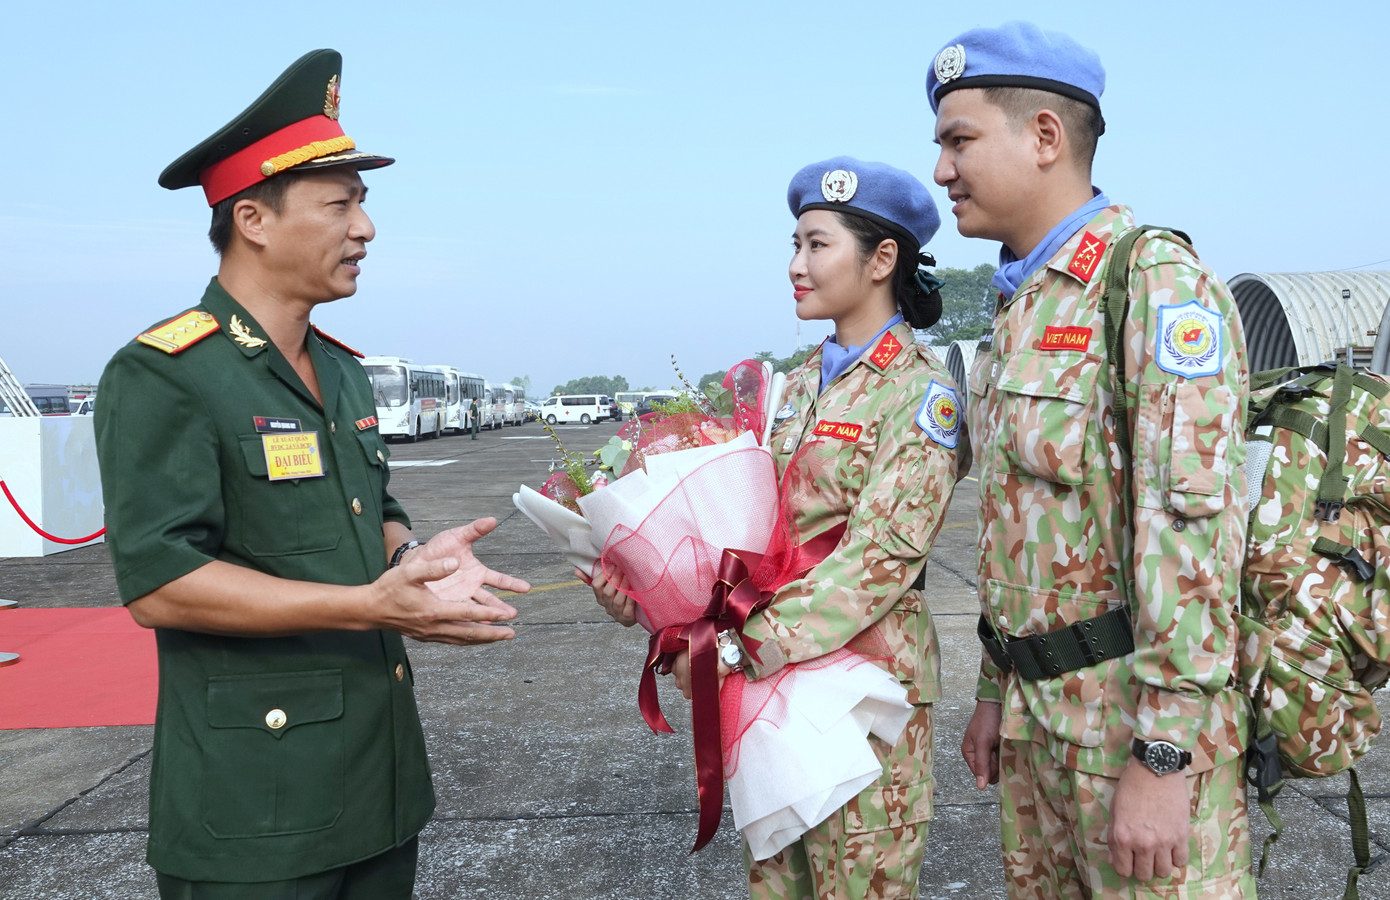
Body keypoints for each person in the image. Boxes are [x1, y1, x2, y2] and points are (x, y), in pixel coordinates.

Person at [94, 49, 529, 899]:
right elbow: (162, 582)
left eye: (362, 204)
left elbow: (374, 506)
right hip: (255, 807)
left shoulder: (341, 371)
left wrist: (411, 560)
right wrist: (366, 606)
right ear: (253, 218)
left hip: (378, 787)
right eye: (340, 205)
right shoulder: (167, 372)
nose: (365, 228)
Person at [927, 22, 1253, 898]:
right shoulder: (1018, 307)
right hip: (1039, 731)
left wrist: (1164, 753)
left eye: (959, 141)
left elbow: (1193, 536)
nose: (941, 171)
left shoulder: (1150, 285)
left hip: (1132, 741)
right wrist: (996, 689)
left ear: (1044, 136)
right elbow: (1015, 529)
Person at [591, 157, 967, 899]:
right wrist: (650, 598)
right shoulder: (792, 388)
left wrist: (734, 648)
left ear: (882, 258)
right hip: (772, 689)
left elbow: (879, 561)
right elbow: (744, 536)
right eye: (793, 245)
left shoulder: (920, 392)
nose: (796, 265)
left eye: (816, 244)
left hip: (864, 694)